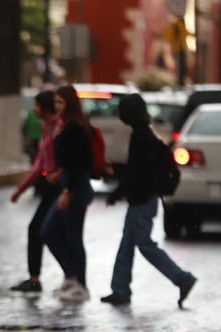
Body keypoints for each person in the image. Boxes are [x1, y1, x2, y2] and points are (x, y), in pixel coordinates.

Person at [101, 93, 197, 308]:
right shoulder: (144, 133)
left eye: (123, 111)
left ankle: (182, 278)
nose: (120, 116)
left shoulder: (141, 136)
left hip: (142, 200)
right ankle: (120, 289)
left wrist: (117, 193)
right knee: (127, 244)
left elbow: (136, 172)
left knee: (145, 245)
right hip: (143, 198)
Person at [41, 84, 95, 303]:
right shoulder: (67, 127)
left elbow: (78, 163)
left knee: (72, 237)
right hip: (70, 185)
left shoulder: (74, 128)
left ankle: (80, 284)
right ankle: (72, 277)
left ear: (70, 103)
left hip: (75, 188)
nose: (57, 106)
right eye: (55, 102)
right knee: (50, 231)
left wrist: (67, 191)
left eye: (61, 102)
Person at [10, 90, 61, 292]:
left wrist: (59, 173)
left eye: (37, 105)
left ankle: (72, 277)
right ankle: (34, 278)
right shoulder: (46, 128)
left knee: (43, 230)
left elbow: (65, 158)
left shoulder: (58, 127)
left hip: (60, 186)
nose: (34, 109)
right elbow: (40, 164)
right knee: (40, 230)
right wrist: (21, 189)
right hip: (49, 185)